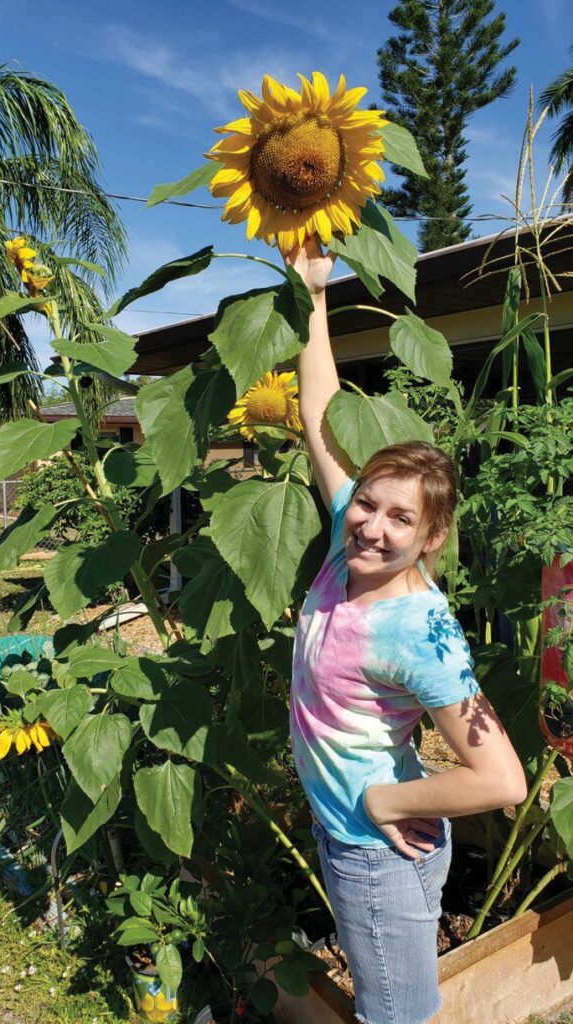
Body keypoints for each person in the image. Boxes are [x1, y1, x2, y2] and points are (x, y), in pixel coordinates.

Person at [287, 238, 527, 1024]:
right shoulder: (343, 548)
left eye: (401, 519)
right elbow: (322, 420)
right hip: (351, 832)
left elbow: (501, 780)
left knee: (395, 1017)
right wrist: (315, 296)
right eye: (367, 504)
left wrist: (387, 802)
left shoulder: (419, 630)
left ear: (430, 539)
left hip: (373, 852)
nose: (372, 526)